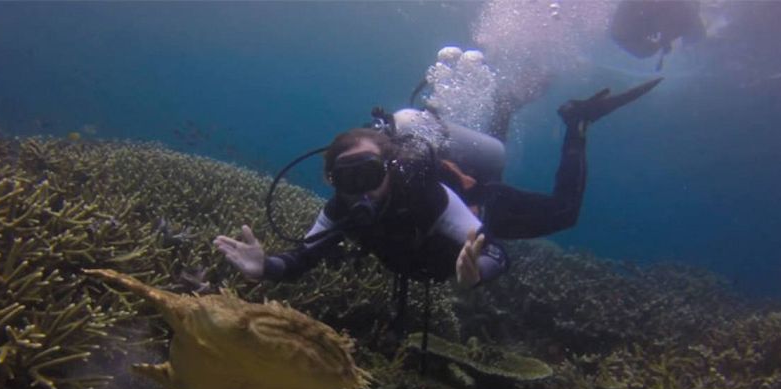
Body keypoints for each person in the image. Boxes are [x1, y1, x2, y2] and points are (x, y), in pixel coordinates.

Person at [214, 78, 662, 293]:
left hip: (482, 202)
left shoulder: (430, 198)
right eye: (345, 180)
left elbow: (496, 252)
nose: (359, 192)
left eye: (368, 176)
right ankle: (503, 104)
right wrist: (265, 266)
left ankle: (577, 121)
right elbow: (299, 260)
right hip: (456, 201)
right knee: (492, 151)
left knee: (565, 213)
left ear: (391, 167)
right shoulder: (340, 211)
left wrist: (474, 272)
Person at [609, 0, 706, 70]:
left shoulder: (687, 17)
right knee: (644, 51)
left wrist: (665, 40)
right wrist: (664, 40)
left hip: (634, 27)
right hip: (629, 28)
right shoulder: (623, 27)